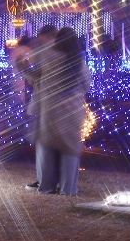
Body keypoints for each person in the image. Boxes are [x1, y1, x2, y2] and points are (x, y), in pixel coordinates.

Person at [13, 26, 91, 196]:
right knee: (70, 151)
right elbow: (86, 85)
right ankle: (67, 188)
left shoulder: (48, 56)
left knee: (46, 149)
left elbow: (34, 76)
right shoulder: (80, 63)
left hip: (50, 111)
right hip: (73, 113)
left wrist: (21, 65)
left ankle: (46, 186)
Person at [10, 25, 56, 190]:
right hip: (47, 103)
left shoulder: (49, 54)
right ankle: (47, 179)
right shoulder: (47, 53)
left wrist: (24, 69)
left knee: (47, 143)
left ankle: (48, 180)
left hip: (49, 103)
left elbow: (36, 77)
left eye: (41, 38)